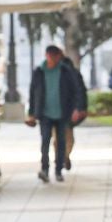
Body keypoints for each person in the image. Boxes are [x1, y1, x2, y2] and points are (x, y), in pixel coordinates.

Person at [25, 44, 86, 183]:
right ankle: (44, 169)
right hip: (45, 113)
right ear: (47, 56)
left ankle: (58, 169)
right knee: (45, 141)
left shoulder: (65, 71)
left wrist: (77, 108)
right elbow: (33, 92)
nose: (52, 59)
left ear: (58, 57)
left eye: (54, 57)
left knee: (61, 142)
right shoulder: (39, 71)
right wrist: (32, 113)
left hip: (62, 113)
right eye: (50, 56)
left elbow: (76, 89)